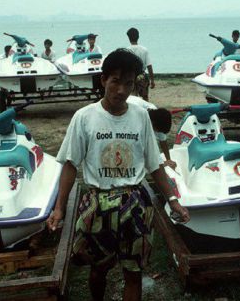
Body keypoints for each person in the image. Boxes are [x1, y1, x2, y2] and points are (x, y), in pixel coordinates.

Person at [46, 48, 189, 301]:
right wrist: (59, 208)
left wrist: (173, 201)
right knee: (98, 268)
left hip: (135, 204)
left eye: (129, 83)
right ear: (103, 80)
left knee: (133, 273)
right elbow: (70, 165)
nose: (121, 90)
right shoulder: (84, 117)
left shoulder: (141, 117)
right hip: (97, 204)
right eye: (115, 81)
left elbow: (155, 165)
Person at [126, 95, 177, 170]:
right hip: (119, 107)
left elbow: (163, 141)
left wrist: (168, 160)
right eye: (156, 130)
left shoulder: (157, 116)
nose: (156, 132)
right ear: (152, 123)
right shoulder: (136, 116)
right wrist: (161, 164)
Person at [126, 27, 155, 101]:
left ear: (129, 38)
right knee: (145, 98)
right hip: (142, 76)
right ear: (138, 37)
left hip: (131, 76)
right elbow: (149, 66)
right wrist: (152, 80)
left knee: (132, 99)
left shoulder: (127, 51)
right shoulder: (144, 50)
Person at [0, 45, 12, 110]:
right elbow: (1, 67)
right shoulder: (1, 57)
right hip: (4, 74)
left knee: (8, 90)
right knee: (3, 90)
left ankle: (8, 103)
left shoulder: (14, 55)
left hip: (11, 73)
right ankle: (3, 104)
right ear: (6, 52)